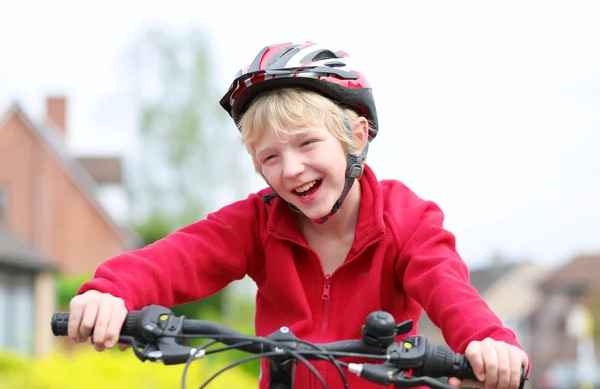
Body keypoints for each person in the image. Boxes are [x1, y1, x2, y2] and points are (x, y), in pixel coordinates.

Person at [67, 41, 529, 389]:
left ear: (358, 135)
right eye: (269, 158)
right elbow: (177, 257)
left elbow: (450, 288)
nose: (290, 170)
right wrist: (110, 291)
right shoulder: (257, 222)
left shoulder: (405, 219)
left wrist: (487, 341)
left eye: (307, 143)